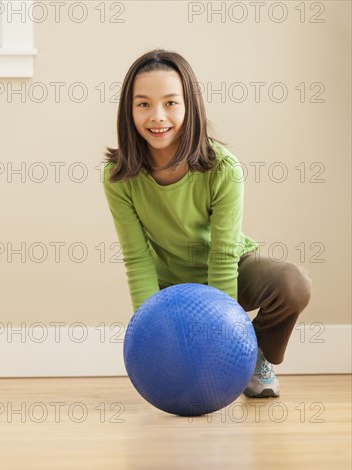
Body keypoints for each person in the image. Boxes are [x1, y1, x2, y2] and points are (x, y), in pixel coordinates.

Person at [102, 49, 312, 398]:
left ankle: (256, 355)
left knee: (293, 284)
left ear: (189, 106)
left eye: (170, 103)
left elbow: (223, 254)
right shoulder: (117, 176)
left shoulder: (223, 167)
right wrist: (152, 330)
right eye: (143, 104)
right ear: (129, 110)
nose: (157, 117)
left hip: (228, 267)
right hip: (172, 282)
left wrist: (226, 340)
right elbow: (136, 258)